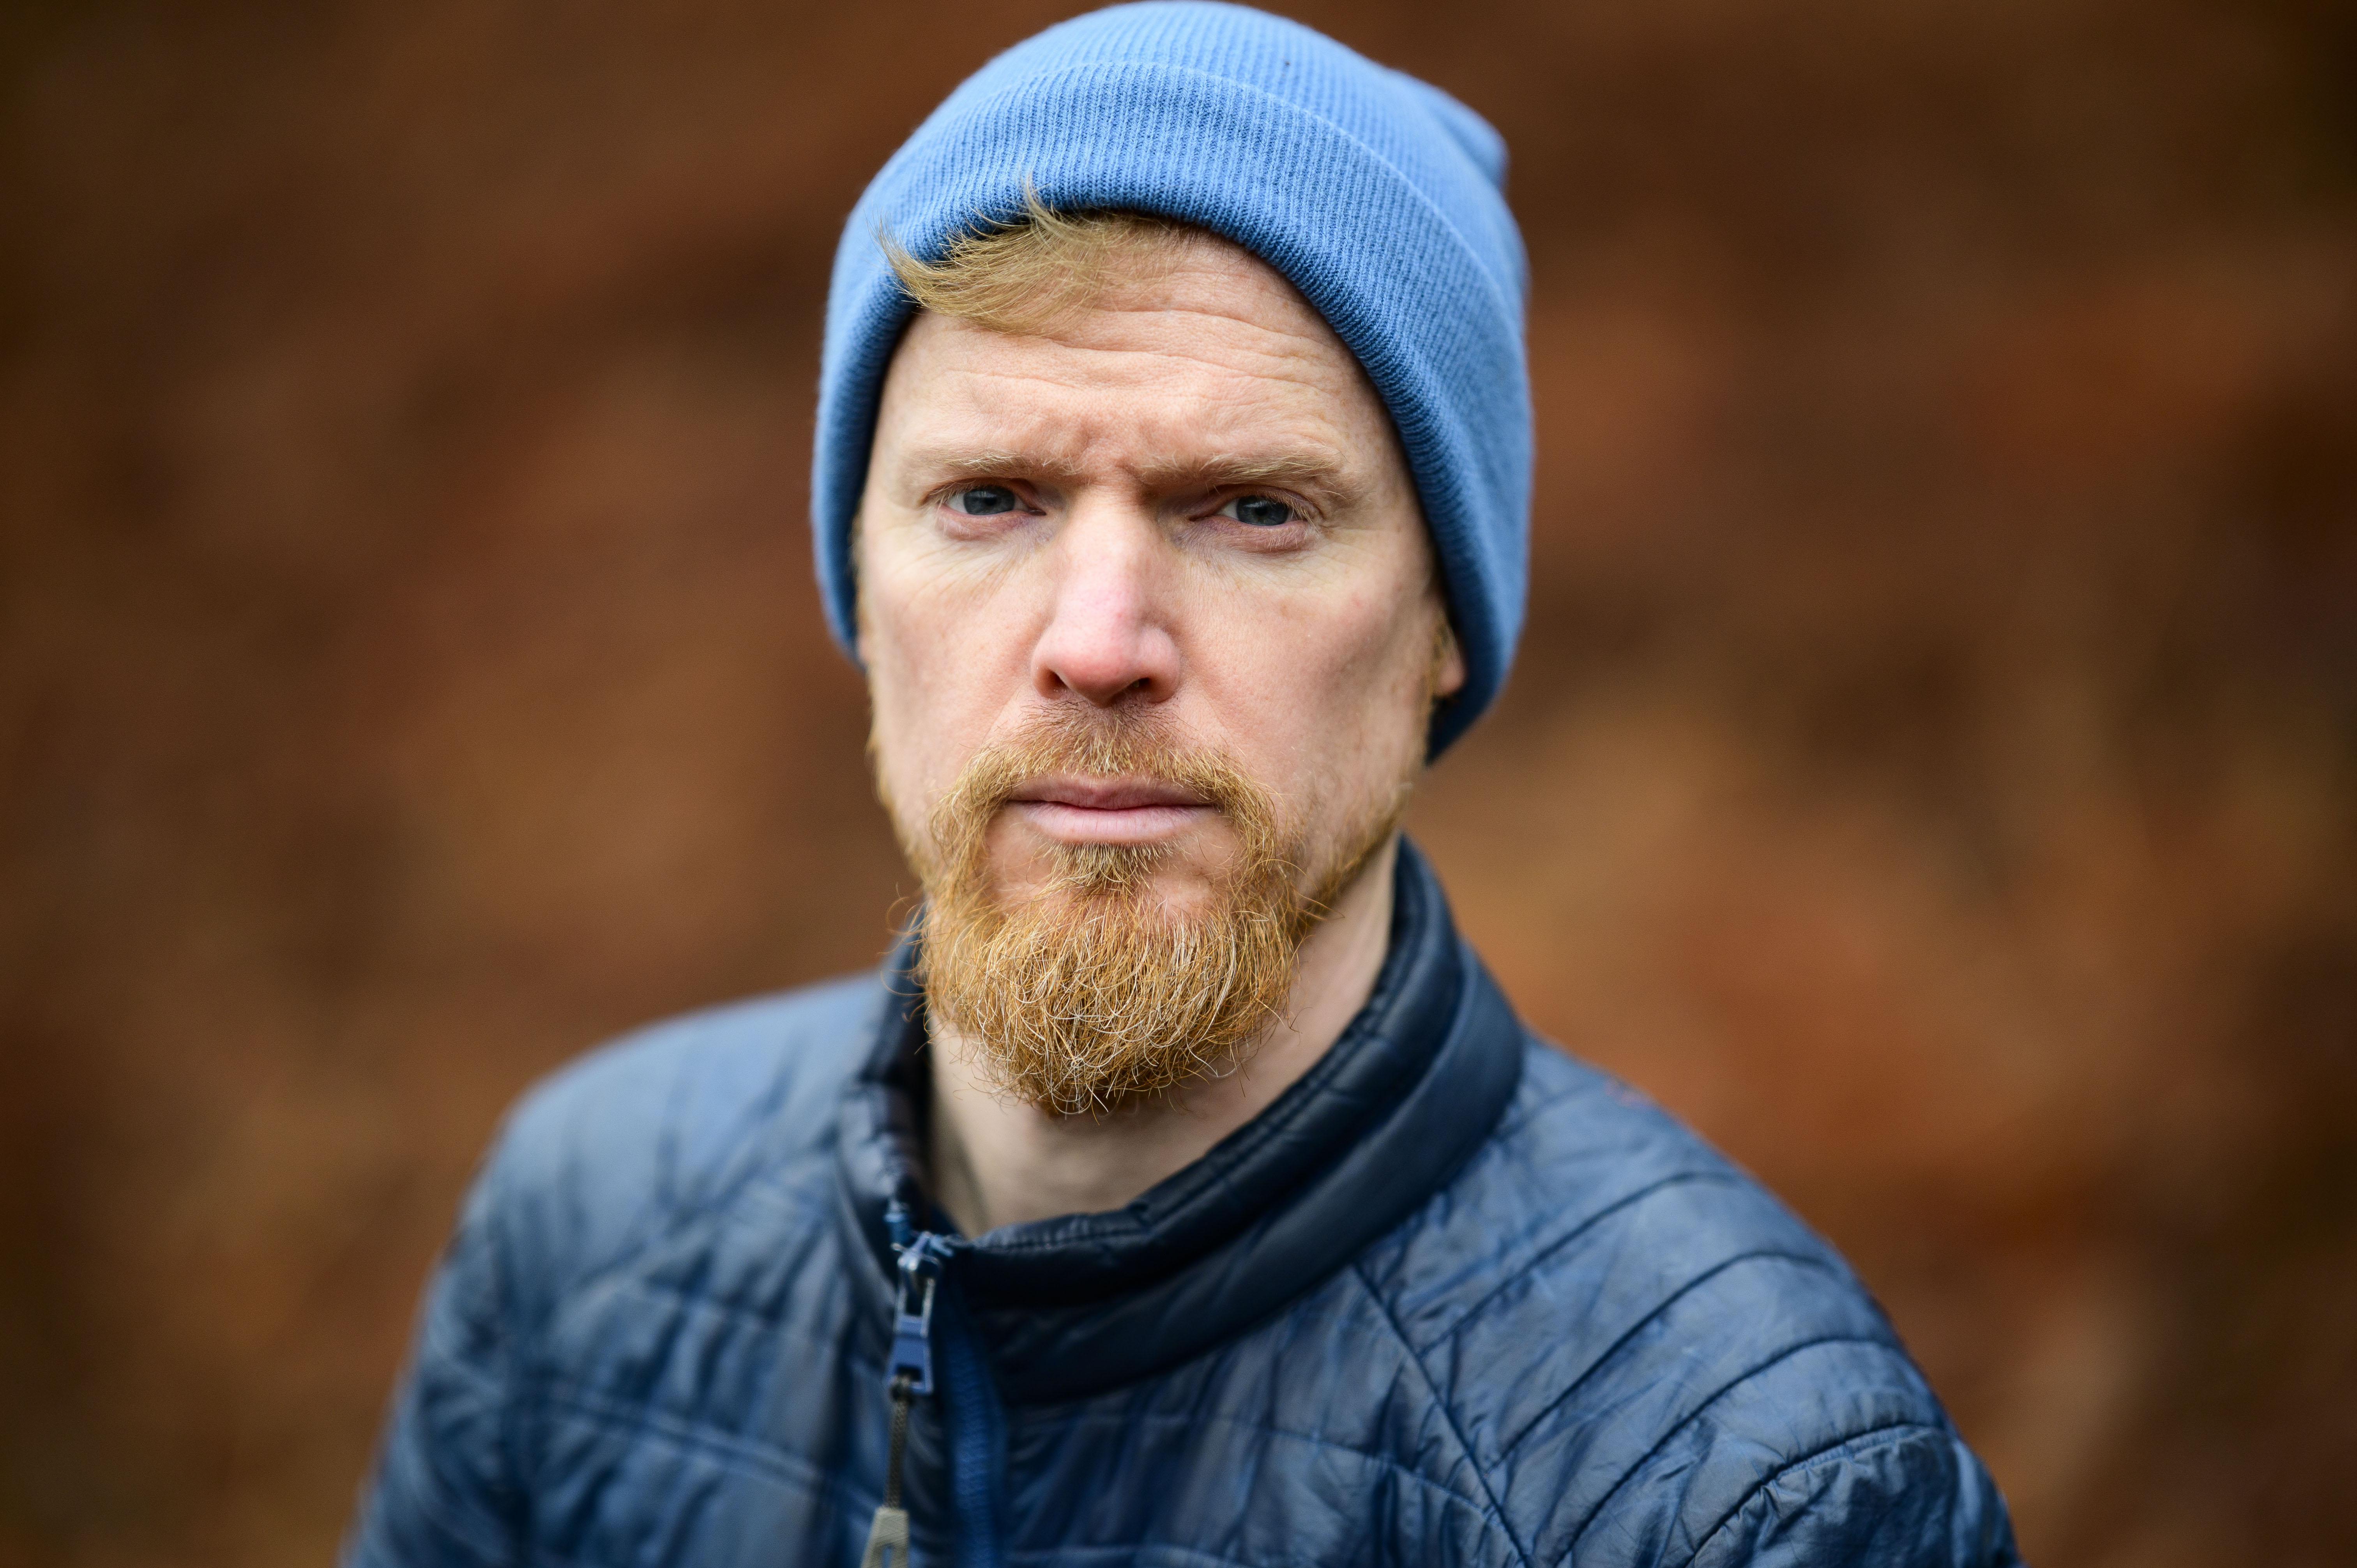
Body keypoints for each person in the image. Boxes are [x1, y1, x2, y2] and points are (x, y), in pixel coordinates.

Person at [346, 5, 2021, 1565]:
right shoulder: (582, 1235)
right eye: (990, 497)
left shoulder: (1746, 1492)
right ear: (859, 580)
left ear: (1444, 618)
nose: (1098, 642)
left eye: (1253, 510)